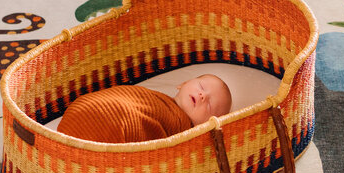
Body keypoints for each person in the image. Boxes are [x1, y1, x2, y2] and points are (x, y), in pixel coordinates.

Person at [56, 74, 232, 143]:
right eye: (201, 86)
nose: (203, 96)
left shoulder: (182, 133)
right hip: (85, 110)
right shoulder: (155, 97)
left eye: (210, 105)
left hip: (112, 127)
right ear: (183, 83)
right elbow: (129, 99)